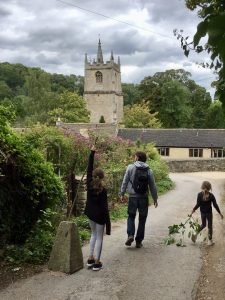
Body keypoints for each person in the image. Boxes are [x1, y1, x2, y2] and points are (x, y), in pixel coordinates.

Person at [120, 151, 158, 248]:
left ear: (137, 158)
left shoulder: (130, 167)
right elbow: (153, 186)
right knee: (142, 219)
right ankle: (139, 241)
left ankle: (130, 235)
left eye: (135, 157)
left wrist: (122, 194)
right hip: (143, 198)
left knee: (131, 216)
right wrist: (155, 199)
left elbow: (125, 181)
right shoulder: (149, 170)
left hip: (132, 197)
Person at [84, 146, 111, 271]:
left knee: (93, 235)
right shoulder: (103, 190)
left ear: (94, 176)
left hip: (90, 214)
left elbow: (89, 168)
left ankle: (90, 259)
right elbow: (105, 207)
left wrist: (92, 152)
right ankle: (97, 262)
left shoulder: (89, 184)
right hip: (100, 216)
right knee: (99, 237)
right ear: (102, 177)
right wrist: (108, 222)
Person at [190, 181, 223, 245]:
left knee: (203, 225)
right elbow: (215, 205)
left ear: (202, 187)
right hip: (209, 213)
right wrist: (220, 213)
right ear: (210, 188)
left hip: (203, 213)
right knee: (210, 226)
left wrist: (193, 210)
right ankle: (210, 241)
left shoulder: (199, 194)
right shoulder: (211, 196)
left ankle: (195, 233)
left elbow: (198, 204)